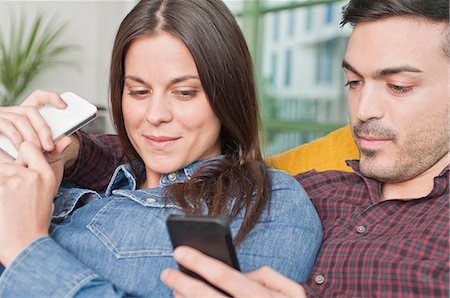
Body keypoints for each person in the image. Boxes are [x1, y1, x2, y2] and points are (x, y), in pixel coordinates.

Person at [22, 0, 448, 297]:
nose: (363, 109)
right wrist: (61, 145)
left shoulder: (276, 205)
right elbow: (153, 157)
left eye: (399, 86)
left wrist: (23, 247)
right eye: (353, 82)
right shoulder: (324, 189)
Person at [0, 0, 323, 296]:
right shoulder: (81, 174)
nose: (155, 116)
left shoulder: (268, 202)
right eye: (139, 92)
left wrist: (25, 247)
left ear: (228, 94)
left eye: (184, 93)